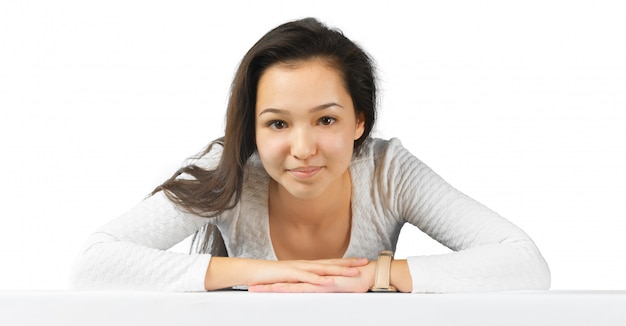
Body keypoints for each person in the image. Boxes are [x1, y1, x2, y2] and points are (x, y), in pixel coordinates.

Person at [71, 17, 551, 293]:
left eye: (326, 120)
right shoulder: (230, 169)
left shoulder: (387, 171)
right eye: (277, 123)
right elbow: (94, 264)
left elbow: (524, 264)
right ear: (252, 128)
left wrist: (372, 277)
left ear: (359, 121)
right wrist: (260, 273)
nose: (303, 150)